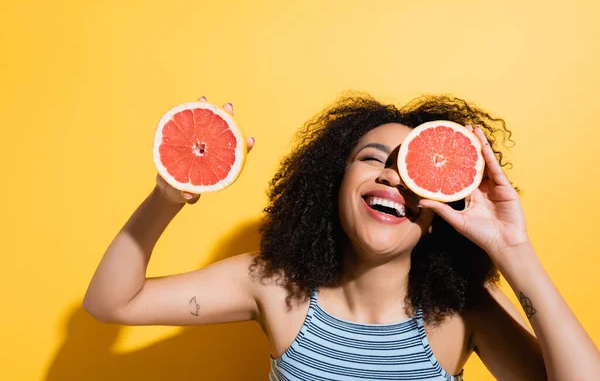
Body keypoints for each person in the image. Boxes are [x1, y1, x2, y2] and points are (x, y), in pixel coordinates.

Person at [83, 93, 600, 380]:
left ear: (439, 207)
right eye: (373, 159)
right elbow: (113, 303)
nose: (393, 177)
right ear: (333, 185)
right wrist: (168, 197)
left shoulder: (466, 310)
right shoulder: (272, 285)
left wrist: (513, 249)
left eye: (412, 170)